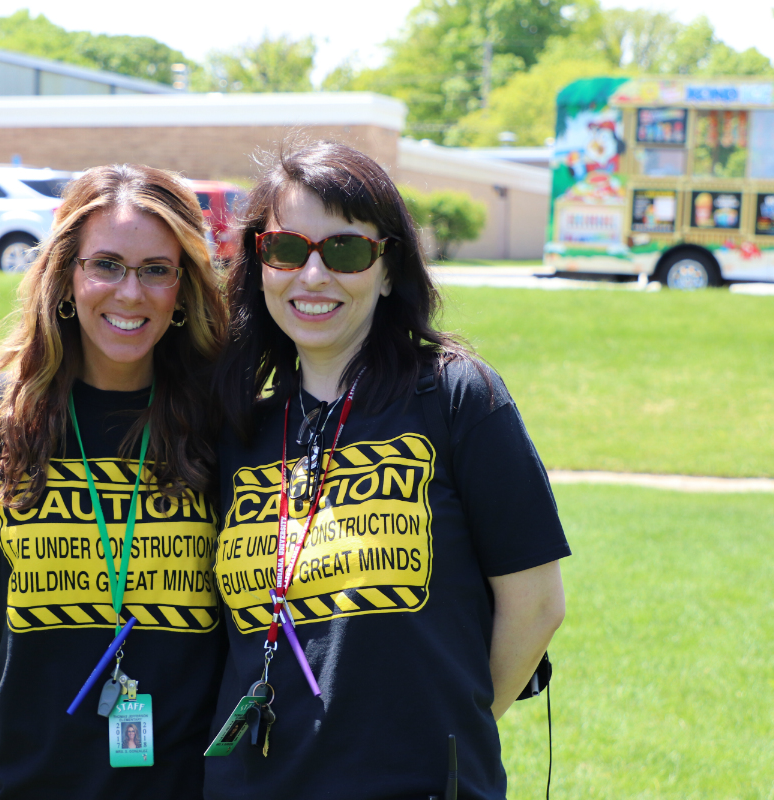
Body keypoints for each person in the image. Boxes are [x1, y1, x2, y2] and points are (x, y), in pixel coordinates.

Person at [208, 141, 570, 800]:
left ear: (386, 268)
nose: (311, 276)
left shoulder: (459, 397)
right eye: (287, 250)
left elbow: (537, 604)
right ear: (260, 265)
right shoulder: (240, 430)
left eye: (344, 250)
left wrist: (455, 725)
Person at [0, 164, 229, 799]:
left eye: (157, 269)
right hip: (29, 784)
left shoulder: (225, 424)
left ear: (183, 288)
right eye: (107, 265)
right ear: (67, 276)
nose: (131, 293)